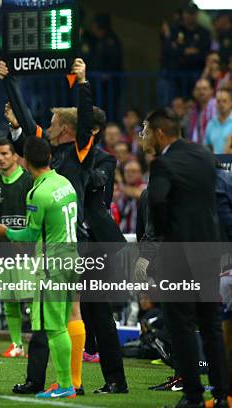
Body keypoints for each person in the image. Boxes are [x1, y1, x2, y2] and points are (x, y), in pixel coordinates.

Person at [0, 58, 127, 395]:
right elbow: (27, 124)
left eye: (54, 122)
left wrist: (82, 82)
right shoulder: (52, 156)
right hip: (62, 244)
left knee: (90, 313)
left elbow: (84, 122)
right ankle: (48, 380)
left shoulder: (80, 153)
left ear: (67, 129)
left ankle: (106, 380)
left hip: (81, 243)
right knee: (54, 315)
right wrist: (8, 80)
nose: (49, 125)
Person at [140, 107, 228, 407]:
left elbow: (157, 203)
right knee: (212, 325)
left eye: (148, 131)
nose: (146, 137)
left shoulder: (163, 164)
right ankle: (221, 394)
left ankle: (192, 396)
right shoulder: (204, 154)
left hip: (178, 255)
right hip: (208, 251)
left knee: (182, 327)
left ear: (160, 133)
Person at [0, 136, 78, 399]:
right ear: (50, 157)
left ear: (25, 161)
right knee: (63, 322)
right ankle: (68, 381)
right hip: (73, 257)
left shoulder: (37, 193)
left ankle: (65, 385)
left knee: (54, 327)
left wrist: (5, 232)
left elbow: (29, 234)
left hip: (52, 263)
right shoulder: (65, 183)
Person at [0, 138, 32, 357]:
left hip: (26, 251)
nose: (0, 158)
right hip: (2, 251)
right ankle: (17, 344)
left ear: (16, 156)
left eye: (5, 154)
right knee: (9, 299)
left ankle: (41, 343)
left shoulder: (29, 181)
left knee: (32, 299)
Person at [206, 88, 232, 154]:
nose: (221, 104)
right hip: (214, 163)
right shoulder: (210, 124)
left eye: (224, 101)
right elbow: (206, 147)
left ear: (231, 103)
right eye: (218, 101)